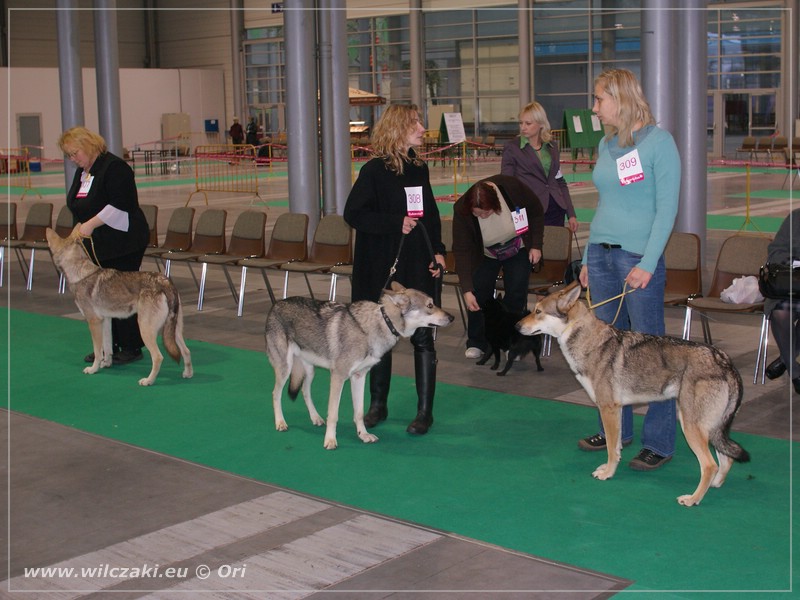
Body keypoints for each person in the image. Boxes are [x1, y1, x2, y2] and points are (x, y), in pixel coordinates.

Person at [577, 68, 681, 470]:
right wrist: (587, 258)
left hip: (637, 259)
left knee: (651, 355)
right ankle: (614, 427)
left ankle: (660, 441)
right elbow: (603, 205)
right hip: (601, 255)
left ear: (620, 98)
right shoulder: (606, 144)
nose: (595, 107)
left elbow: (666, 209)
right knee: (604, 351)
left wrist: (648, 263)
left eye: (599, 98)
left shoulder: (660, 143)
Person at [344, 104, 446, 435]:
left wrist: (439, 253)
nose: (421, 127)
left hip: (418, 262)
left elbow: (429, 215)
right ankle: (378, 405)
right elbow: (353, 214)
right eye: (415, 122)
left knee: (423, 339)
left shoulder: (420, 168)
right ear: (398, 129)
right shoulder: (374, 171)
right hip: (380, 266)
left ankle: (425, 412)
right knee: (379, 336)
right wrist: (393, 223)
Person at [58, 126, 150, 364]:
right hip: (99, 242)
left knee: (122, 293)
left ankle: (131, 346)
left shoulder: (114, 168)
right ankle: (107, 347)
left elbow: (121, 204)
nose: (72, 159)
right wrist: (80, 226)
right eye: (69, 155)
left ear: (89, 145)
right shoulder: (86, 172)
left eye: (74, 152)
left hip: (124, 240)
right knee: (102, 297)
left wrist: (89, 223)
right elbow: (79, 203)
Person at [451, 175, 544, 358]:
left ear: (496, 204)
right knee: (479, 294)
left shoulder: (512, 187)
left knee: (516, 294)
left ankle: (512, 344)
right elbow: (461, 251)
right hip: (486, 254)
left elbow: (536, 211)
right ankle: (477, 341)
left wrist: (536, 245)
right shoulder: (461, 209)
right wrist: (467, 289)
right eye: (477, 214)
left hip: (518, 247)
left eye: (486, 213)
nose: (482, 216)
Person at [501, 101, 578, 232]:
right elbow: (506, 185)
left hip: (556, 209)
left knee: (554, 250)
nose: (523, 127)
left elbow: (560, 181)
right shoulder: (512, 148)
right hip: (529, 211)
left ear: (541, 124)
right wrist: (516, 213)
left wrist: (571, 213)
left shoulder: (552, 146)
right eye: (521, 123)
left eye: (528, 123)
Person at [763, 208, 800, 393]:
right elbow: (775, 252)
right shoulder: (795, 218)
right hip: (791, 286)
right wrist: (794, 261)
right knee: (779, 312)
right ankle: (795, 373)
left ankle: (786, 360)